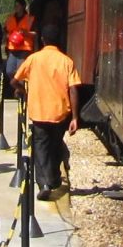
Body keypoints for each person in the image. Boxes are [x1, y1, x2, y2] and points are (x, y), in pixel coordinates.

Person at [14, 25, 83, 199]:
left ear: (42, 40)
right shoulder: (66, 61)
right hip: (60, 113)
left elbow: (14, 81)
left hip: (38, 112)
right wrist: (75, 117)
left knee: (40, 147)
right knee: (56, 145)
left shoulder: (33, 59)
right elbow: (74, 89)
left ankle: (44, 183)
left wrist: (23, 91)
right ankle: (53, 179)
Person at [2, 0, 36, 88]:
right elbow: (5, 30)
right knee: (9, 70)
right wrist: (7, 36)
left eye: (18, 5)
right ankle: (19, 89)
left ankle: (21, 94)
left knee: (20, 71)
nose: (16, 7)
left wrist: (26, 33)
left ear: (23, 6)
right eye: (15, 5)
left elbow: (35, 33)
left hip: (24, 49)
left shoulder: (30, 19)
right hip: (12, 48)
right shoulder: (10, 18)